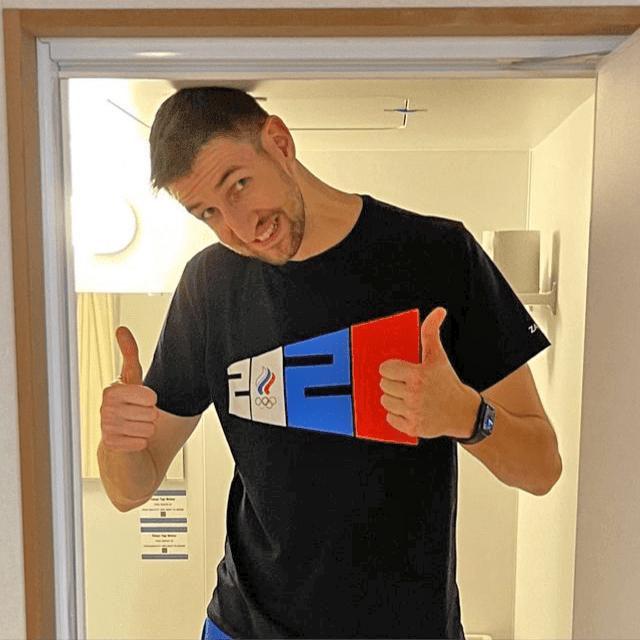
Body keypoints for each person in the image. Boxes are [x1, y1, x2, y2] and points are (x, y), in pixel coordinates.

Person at [98, 86, 553, 639]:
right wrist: (118, 443)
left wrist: (465, 416)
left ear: (279, 142)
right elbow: (130, 489)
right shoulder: (208, 285)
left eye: (238, 184)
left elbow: (542, 466)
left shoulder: (437, 255)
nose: (239, 227)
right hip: (245, 628)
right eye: (208, 212)